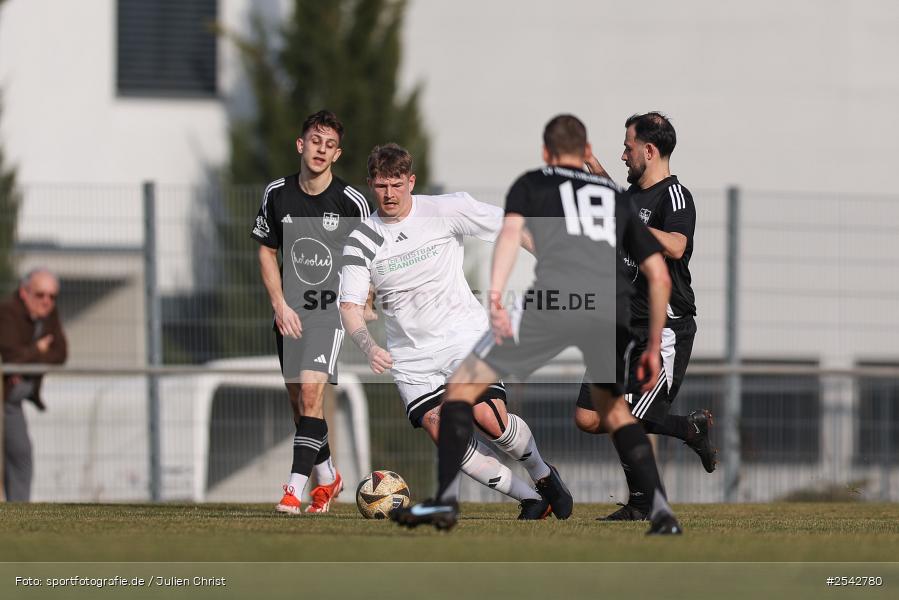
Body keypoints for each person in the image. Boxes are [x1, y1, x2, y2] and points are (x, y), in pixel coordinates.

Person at [391, 115, 682, 534]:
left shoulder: (531, 187)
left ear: (547, 154)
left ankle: (446, 502)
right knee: (614, 411)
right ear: (583, 153)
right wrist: (653, 343)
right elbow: (658, 274)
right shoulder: (616, 200)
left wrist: (495, 300)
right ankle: (662, 514)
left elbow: (509, 241)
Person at [339, 143, 573, 520]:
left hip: (463, 338)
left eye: (397, 184)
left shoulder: (446, 209)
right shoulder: (360, 240)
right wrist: (367, 346)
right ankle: (531, 498)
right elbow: (349, 307)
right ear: (370, 185)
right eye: (381, 186)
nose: (389, 194)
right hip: (411, 356)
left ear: (411, 182)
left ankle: (543, 474)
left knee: (488, 419)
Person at [575, 112, 715, 521]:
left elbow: (675, 244)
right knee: (587, 417)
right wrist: (590, 161)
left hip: (662, 326)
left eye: (627, 147)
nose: (623, 155)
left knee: (631, 416)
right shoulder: (633, 193)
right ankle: (686, 431)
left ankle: (644, 499)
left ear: (649, 151)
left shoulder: (676, 197)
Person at [251, 110, 371, 514]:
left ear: (337, 154)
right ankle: (328, 477)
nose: (322, 149)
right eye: (315, 141)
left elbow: (372, 254)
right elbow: (267, 250)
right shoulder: (277, 193)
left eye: (330, 144)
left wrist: (365, 300)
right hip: (290, 313)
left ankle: (293, 489)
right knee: (302, 408)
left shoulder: (350, 200)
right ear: (301, 145)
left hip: (329, 312)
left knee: (311, 392)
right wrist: (279, 305)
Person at [0, 268, 67, 501]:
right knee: (18, 455)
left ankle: (18, 516)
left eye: (52, 296)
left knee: (21, 456)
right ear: (24, 292)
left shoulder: (48, 314)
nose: (47, 301)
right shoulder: (7, 312)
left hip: (12, 401)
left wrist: (28, 359)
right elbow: (10, 359)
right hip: (4, 396)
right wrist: (38, 349)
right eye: (40, 295)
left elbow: (60, 353)